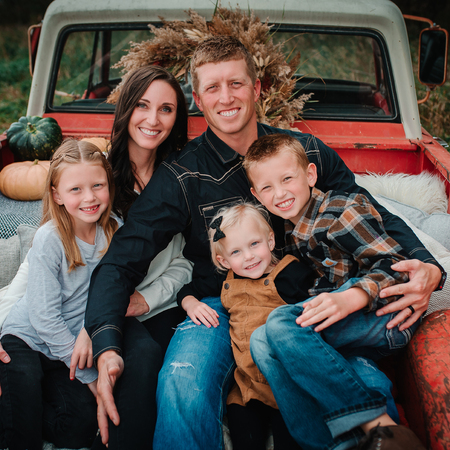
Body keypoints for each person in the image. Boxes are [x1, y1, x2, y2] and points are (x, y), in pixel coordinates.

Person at [83, 36, 445, 450]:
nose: (226, 97)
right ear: (198, 100)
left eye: (236, 83)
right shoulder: (181, 176)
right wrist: (106, 342)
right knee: (182, 380)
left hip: (312, 294)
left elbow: (372, 212)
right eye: (213, 88)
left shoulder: (305, 151)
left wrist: (428, 266)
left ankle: (384, 438)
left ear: (257, 89)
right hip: (220, 307)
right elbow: (121, 260)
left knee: (362, 375)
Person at [0, 65, 192, 449]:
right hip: (61, 323)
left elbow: (183, 262)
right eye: (141, 105)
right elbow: (36, 277)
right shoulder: (98, 178)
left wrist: (142, 301)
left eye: (166, 109)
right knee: (35, 385)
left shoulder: (180, 179)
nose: (153, 120)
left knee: (140, 357)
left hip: (136, 308)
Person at [243, 133, 426, 449]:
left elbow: (394, 263)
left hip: (384, 314)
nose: (280, 193)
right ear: (257, 195)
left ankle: (363, 429)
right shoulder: (288, 230)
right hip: (352, 332)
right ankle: (378, 437)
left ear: (311, 174)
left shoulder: (340, 210)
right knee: (346, 366)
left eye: (287, 178)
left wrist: (349, 297)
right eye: (268, 187)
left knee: (273, 329)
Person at [0, 140, 115, 449]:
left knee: (79, 427)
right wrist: (90, 375)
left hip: (64, 351)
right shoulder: (50, 239)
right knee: (22, 418)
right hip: (27, 338)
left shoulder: (114, 231)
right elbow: (43, 317)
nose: (89, 197)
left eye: (97, 185)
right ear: (57, 195)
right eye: (75, 189)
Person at [202, 202, 306, 449]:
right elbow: (189, 289)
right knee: (245, 439)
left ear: (270, 241)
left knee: (291, 439)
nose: (248, 256)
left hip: (284, 382)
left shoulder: (289, 275)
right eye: (235, 252)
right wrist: (190, 304)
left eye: (254, 244)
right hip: (246, 385)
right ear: (223, 261)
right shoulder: (226, 280)